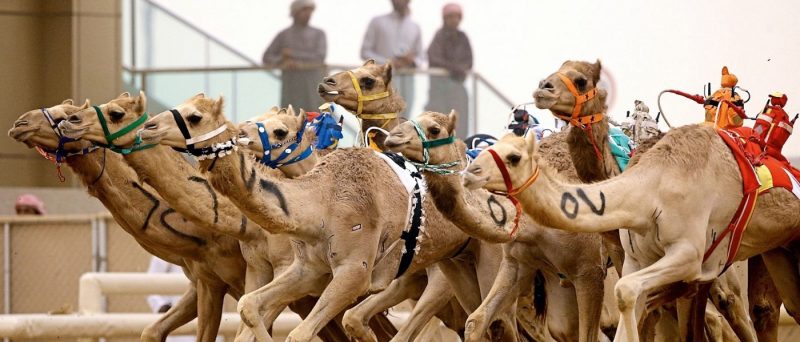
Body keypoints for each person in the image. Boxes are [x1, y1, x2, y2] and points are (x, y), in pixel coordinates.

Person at [361, 0, 424, 117]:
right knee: (379, 123)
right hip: (381, 83)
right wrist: (388, 62)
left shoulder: (414, 27)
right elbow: (365, 51)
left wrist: (411, 60)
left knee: (403, 122)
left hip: (407, 83)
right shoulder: (377, 22)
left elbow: (421, 58)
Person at [262, 0, 327, 112]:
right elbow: (267, 58)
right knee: (291, 120)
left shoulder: (318, 34)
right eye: (304, 10)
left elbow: (320, 56)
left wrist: (293, 55)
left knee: (314, 120)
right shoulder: (284, 35)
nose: (308, 13)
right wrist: (282, 59)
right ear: (295, 12)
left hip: (313, 87)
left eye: (310, 11)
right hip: (291, 88)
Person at [425, 3, 473, 138]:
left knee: (459, 126)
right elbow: (433, 57)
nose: (454, 20)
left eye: (457, 17)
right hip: (439, 92)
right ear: (444, 18)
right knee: (438, 127)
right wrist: (453, 68)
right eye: (450, 17)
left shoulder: (463, 38)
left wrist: (459, 69)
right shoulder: (439, 36)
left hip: (457, 91)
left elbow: (469, 62)